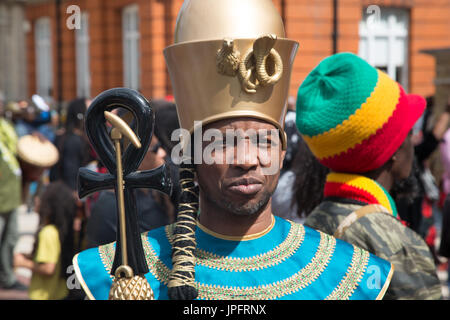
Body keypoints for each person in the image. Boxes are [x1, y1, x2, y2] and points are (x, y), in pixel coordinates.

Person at [72, 0, 394, 300]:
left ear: (282, 152)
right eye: (222, 143)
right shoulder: (115, 277)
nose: (247, 160)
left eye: (264, 142)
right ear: (189, 154)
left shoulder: (352, 275)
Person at [296, 52, 442, 300]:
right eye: (407, 131)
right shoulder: (400, 246)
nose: (413, 141)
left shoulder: (308, 228)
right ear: (392, 149)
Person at [14, 181, 76, 300]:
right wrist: (28, 256)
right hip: (59, 293)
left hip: (44, 295)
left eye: (41, 197)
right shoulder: (58, 231)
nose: (36, 199)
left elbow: (48, 268)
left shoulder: (47, 233)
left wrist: (22, 262)